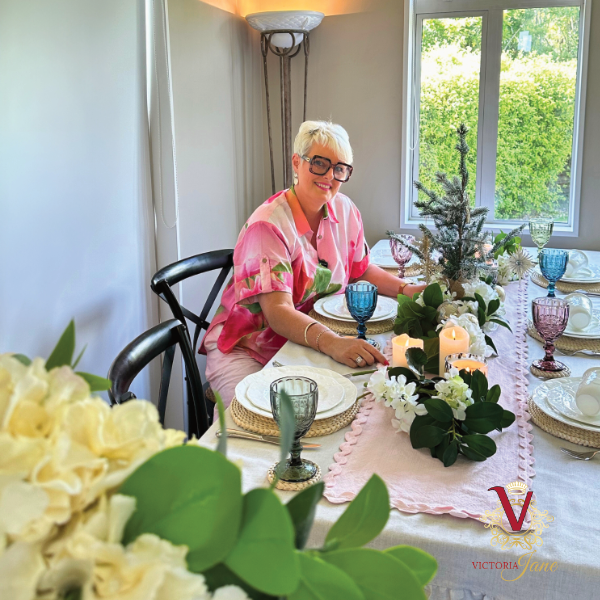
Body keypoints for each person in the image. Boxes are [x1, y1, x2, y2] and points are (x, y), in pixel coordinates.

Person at [201, 121, 426, 409]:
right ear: (297, 163)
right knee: (264, 425)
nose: (330, 176)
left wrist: (408, 290)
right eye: (319, 163)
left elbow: (362, 270)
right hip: (248, 350)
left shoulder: (345, 210)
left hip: (303, 340)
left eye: (340, 168)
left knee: (353, 403)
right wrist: (332, 342)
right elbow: (278, 311)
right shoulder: (267, 225)